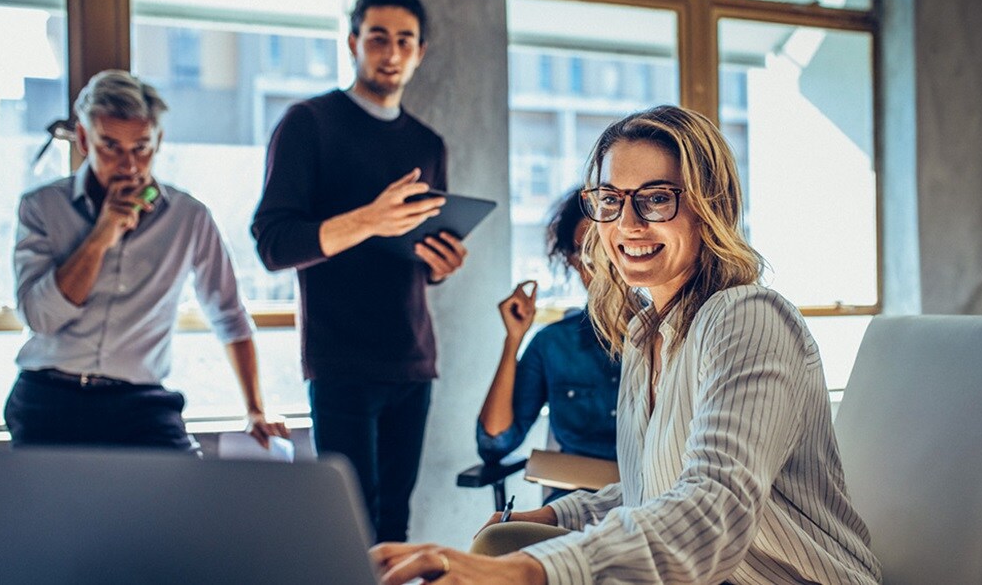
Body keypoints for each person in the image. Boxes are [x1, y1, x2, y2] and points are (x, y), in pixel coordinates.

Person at [371, 105, 882, 584]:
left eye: (657, 198)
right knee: (503, 540)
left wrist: (530, 570)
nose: (628, 224)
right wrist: (555, 513)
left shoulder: (747, 317)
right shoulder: (643, 336)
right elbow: (652, 493)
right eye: (611, 200)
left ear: (710, 208)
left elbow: (709, 510)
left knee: (513, 565)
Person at [251, 0, 466, 543]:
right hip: (340, 359)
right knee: (350, 528)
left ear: (420, 52)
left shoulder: (427, 143)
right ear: (353, 43)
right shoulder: (308, 124)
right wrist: (368, 219)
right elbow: (273, 243)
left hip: (412, 358)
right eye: (377, 37)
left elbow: (417, 253)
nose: (390, 53)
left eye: (404, 41)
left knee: (396, 525)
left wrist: (441, 263)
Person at [7, 69, 288, 451]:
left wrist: (256, 409)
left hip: (140, 401)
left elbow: (228, 314)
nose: (129, 165)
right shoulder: (41, 208)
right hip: (48, 395)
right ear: (85, 139)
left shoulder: (189, 217)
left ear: (159, 141)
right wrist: (100, 236)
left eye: (142, 148)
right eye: (111, 147)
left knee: (184, 501)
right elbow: (40, 318)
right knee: (52, 510)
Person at [476, 189, 620, 503]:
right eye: (584, 252)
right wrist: (513, 339)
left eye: (605, 248)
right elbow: (494, 443)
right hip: (571, 504)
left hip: (651, 505)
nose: (598, 264)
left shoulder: (670, 335)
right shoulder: (553, 344)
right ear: (570, 260)